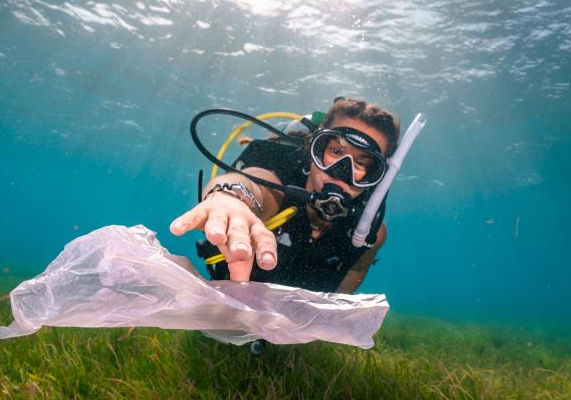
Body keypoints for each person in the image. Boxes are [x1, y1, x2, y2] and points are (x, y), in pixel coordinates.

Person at [170, 98, 401, 294]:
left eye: (362, 162)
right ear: (314, 148)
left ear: (377, 175)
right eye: (335, 151)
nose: (342, 171)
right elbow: (253, 182)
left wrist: (320, 324)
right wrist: (229, 198)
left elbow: (355, 271)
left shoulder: (371, 232)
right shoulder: (278, 186)